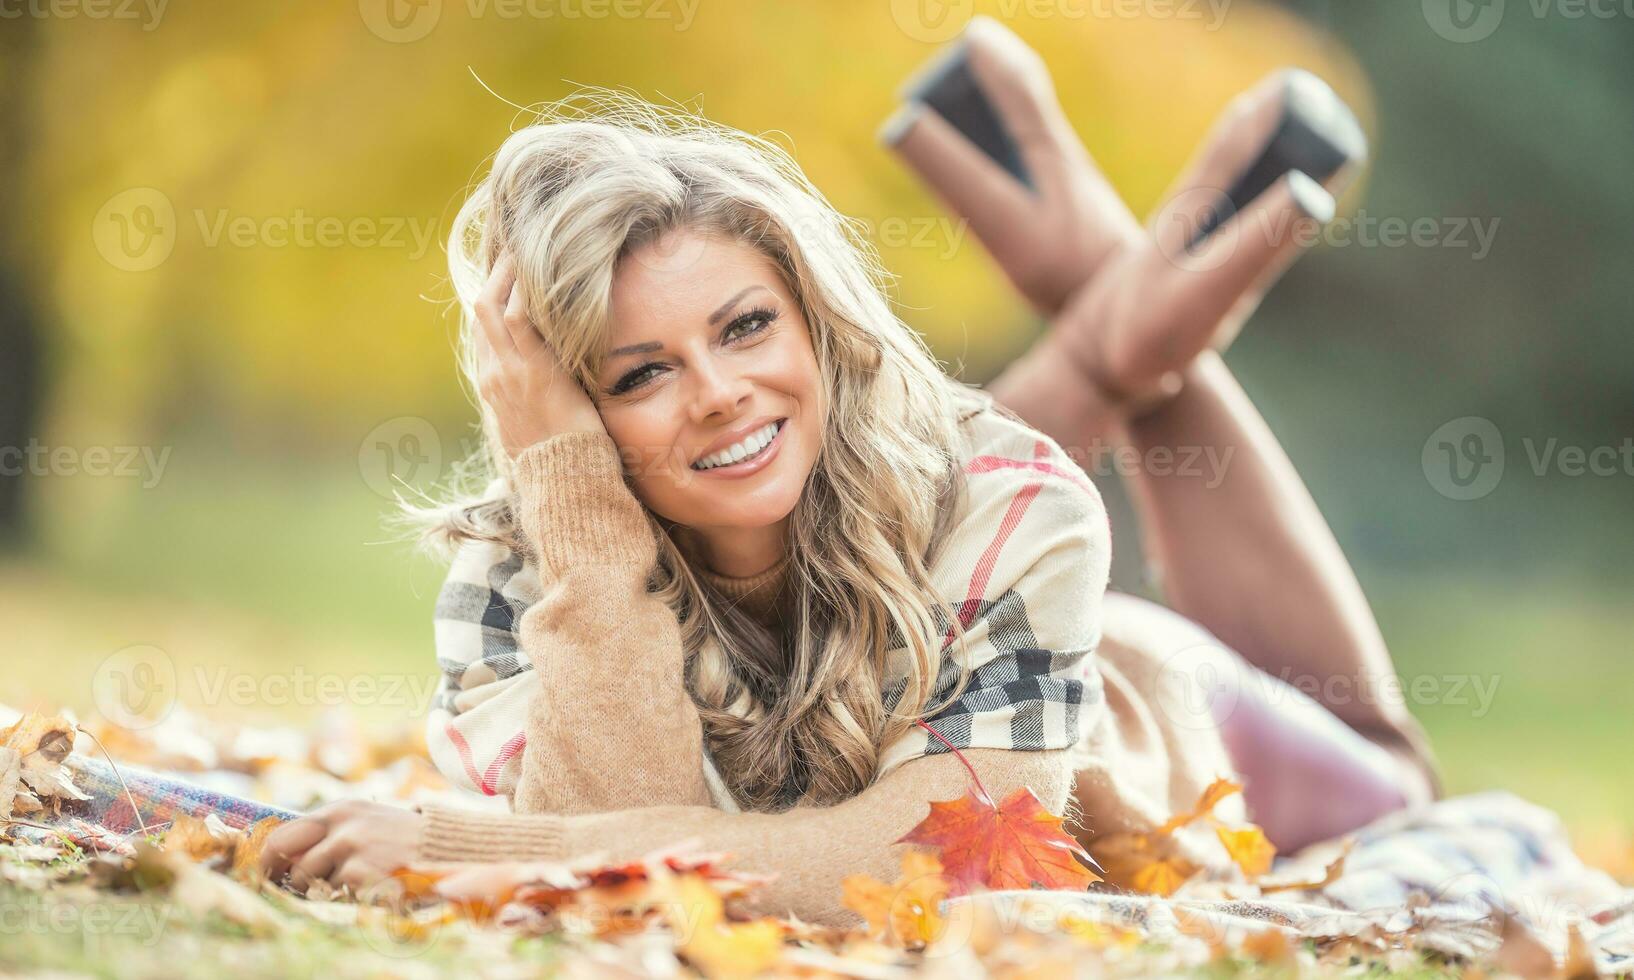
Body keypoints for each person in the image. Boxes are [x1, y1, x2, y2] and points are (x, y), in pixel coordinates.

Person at [262, 80, 1439, 925]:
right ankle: (1114, 302)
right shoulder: (521, 579)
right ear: (563, 409)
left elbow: (946, 865)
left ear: (817, 316)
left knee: (1397, 775)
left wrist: (493, 850)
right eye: (639, 371)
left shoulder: (1009, 500)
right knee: (853, 467)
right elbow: (625, 893)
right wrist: (573, 503)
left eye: (746, 324)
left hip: (1151, 711)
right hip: (944, 612)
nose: (716, 390)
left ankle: (1110, 306)